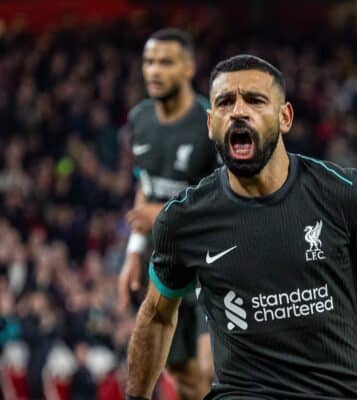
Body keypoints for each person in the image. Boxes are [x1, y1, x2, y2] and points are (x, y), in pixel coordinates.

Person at [125, 54, 357, 400]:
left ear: (285, 117)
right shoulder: (184, 219)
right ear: (211, 123)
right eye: (225, 102)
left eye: (255, 100)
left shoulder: (345, 194)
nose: (239, 111)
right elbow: (156, 317)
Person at [117, 28, 218, 399]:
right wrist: (132, 252)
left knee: (213, 368)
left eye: (165, 62)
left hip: (211, 263)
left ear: (188, 67)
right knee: (181, 370)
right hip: (164, 262)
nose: (154, 71)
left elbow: (228, 198)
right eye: (148, 62)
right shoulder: (139, 119)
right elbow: (145, 185)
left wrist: (160, 214)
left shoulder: (211, 121)